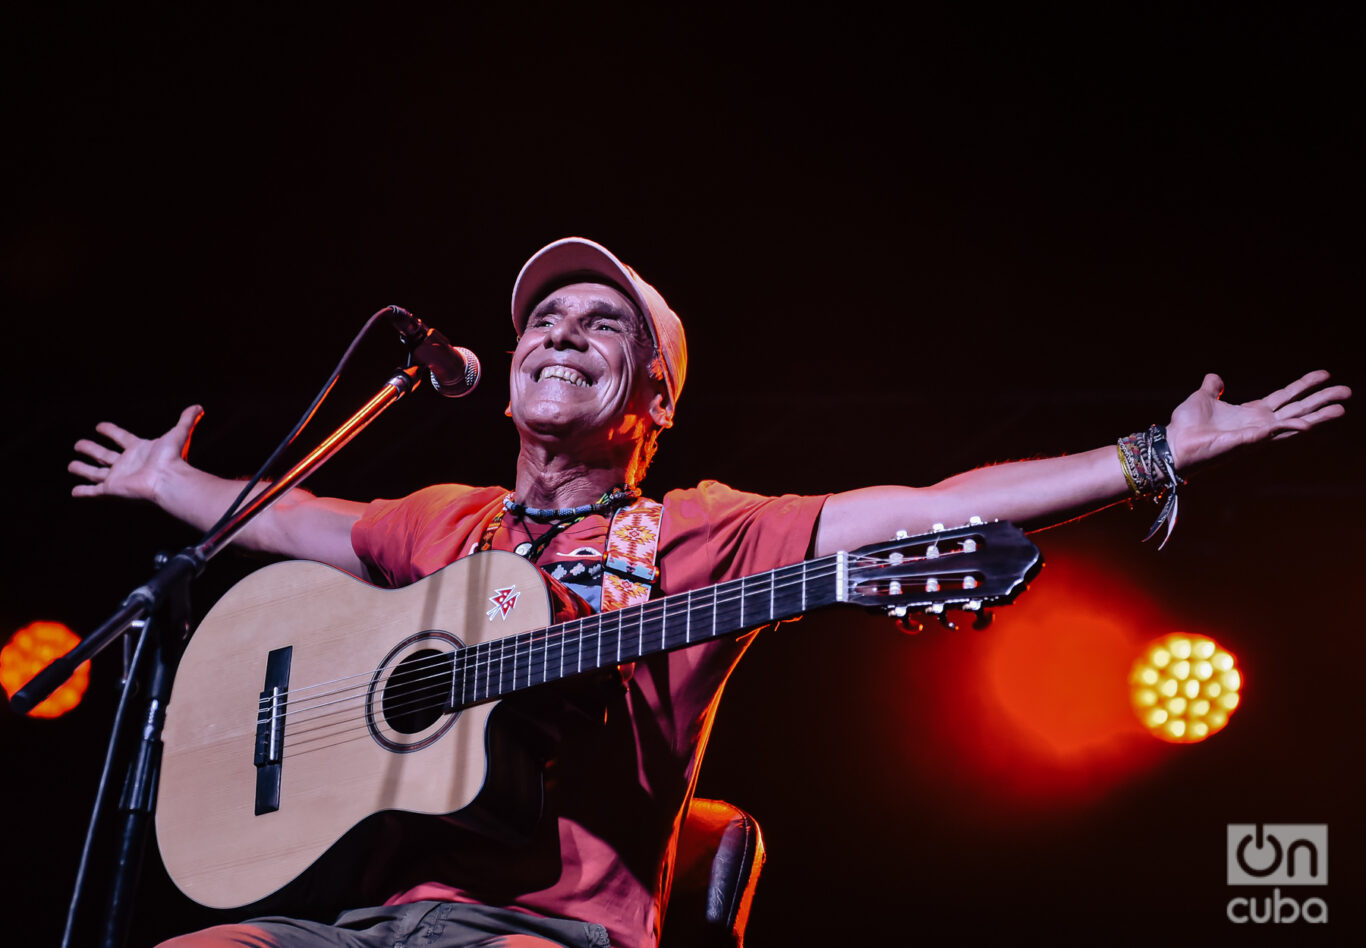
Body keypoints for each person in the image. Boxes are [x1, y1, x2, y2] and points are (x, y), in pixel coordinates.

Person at [70, 237, 1349, 948]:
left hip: (549, 939)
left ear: (656, 400)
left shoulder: (704, 534)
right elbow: (293, 521)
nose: (560, 331)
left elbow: (924, 507)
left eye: (601, 324)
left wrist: (1151, 455)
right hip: (350, 921)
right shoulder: (443, 524)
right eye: (545, 319)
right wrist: (166, 485)